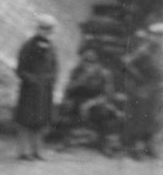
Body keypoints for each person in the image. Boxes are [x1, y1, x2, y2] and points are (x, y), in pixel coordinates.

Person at [56, 44, 122, 155]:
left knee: (105, 112)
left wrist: (91, 103)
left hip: (95, 101)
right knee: (67, 108)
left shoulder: (104, 73)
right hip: (78, 100)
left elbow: (108, 94)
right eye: (85, 60)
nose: (88, 65)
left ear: (97, 61)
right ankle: (65, 140)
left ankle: (106, 143)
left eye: (91, 62)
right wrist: (81, 80)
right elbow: (68, 89)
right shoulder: (77, 71)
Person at [14, 14, 59, 160]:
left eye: (49, 29)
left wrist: (51, 80)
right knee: (26, 121)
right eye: (44, 28)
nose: (46, 32)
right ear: (38, 28)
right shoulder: (28, 46)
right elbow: (20, 69)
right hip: (30, 90)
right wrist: (32, 80)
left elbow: (55, 67)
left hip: (45, 90)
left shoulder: (52, 47)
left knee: (41, 121)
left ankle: (38, 150)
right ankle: (24, 151)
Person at [119, 23, 163, 159]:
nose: (159, 38)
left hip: (156, 87)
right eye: (158, 36)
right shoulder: (144, 50)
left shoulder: (160, 50)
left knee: (152, 117)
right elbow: (127, 63)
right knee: (139, 117)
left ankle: (148, 145)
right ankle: (134, 147)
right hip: (142, 88)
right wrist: (139, 78)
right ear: (152, 36)